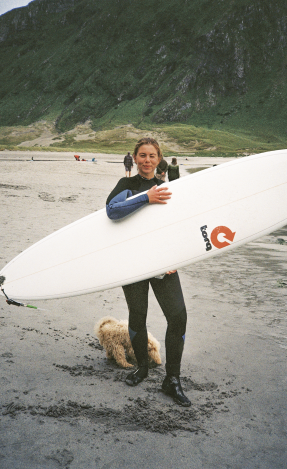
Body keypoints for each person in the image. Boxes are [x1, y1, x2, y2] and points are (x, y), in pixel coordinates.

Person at [106, 137, 191, 407]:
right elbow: (111, 211)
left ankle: (172, 379)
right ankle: (141, 367)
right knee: (138, 315)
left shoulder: (167, 188)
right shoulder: (127, 185)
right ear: (135, 157)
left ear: (159, 159)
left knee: (178, 317)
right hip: (132, 262)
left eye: (152, 155)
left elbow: (179, 226)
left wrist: (176, 256)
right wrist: (146, 198)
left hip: (163, 263)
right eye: (142, 155)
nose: (146, 160)